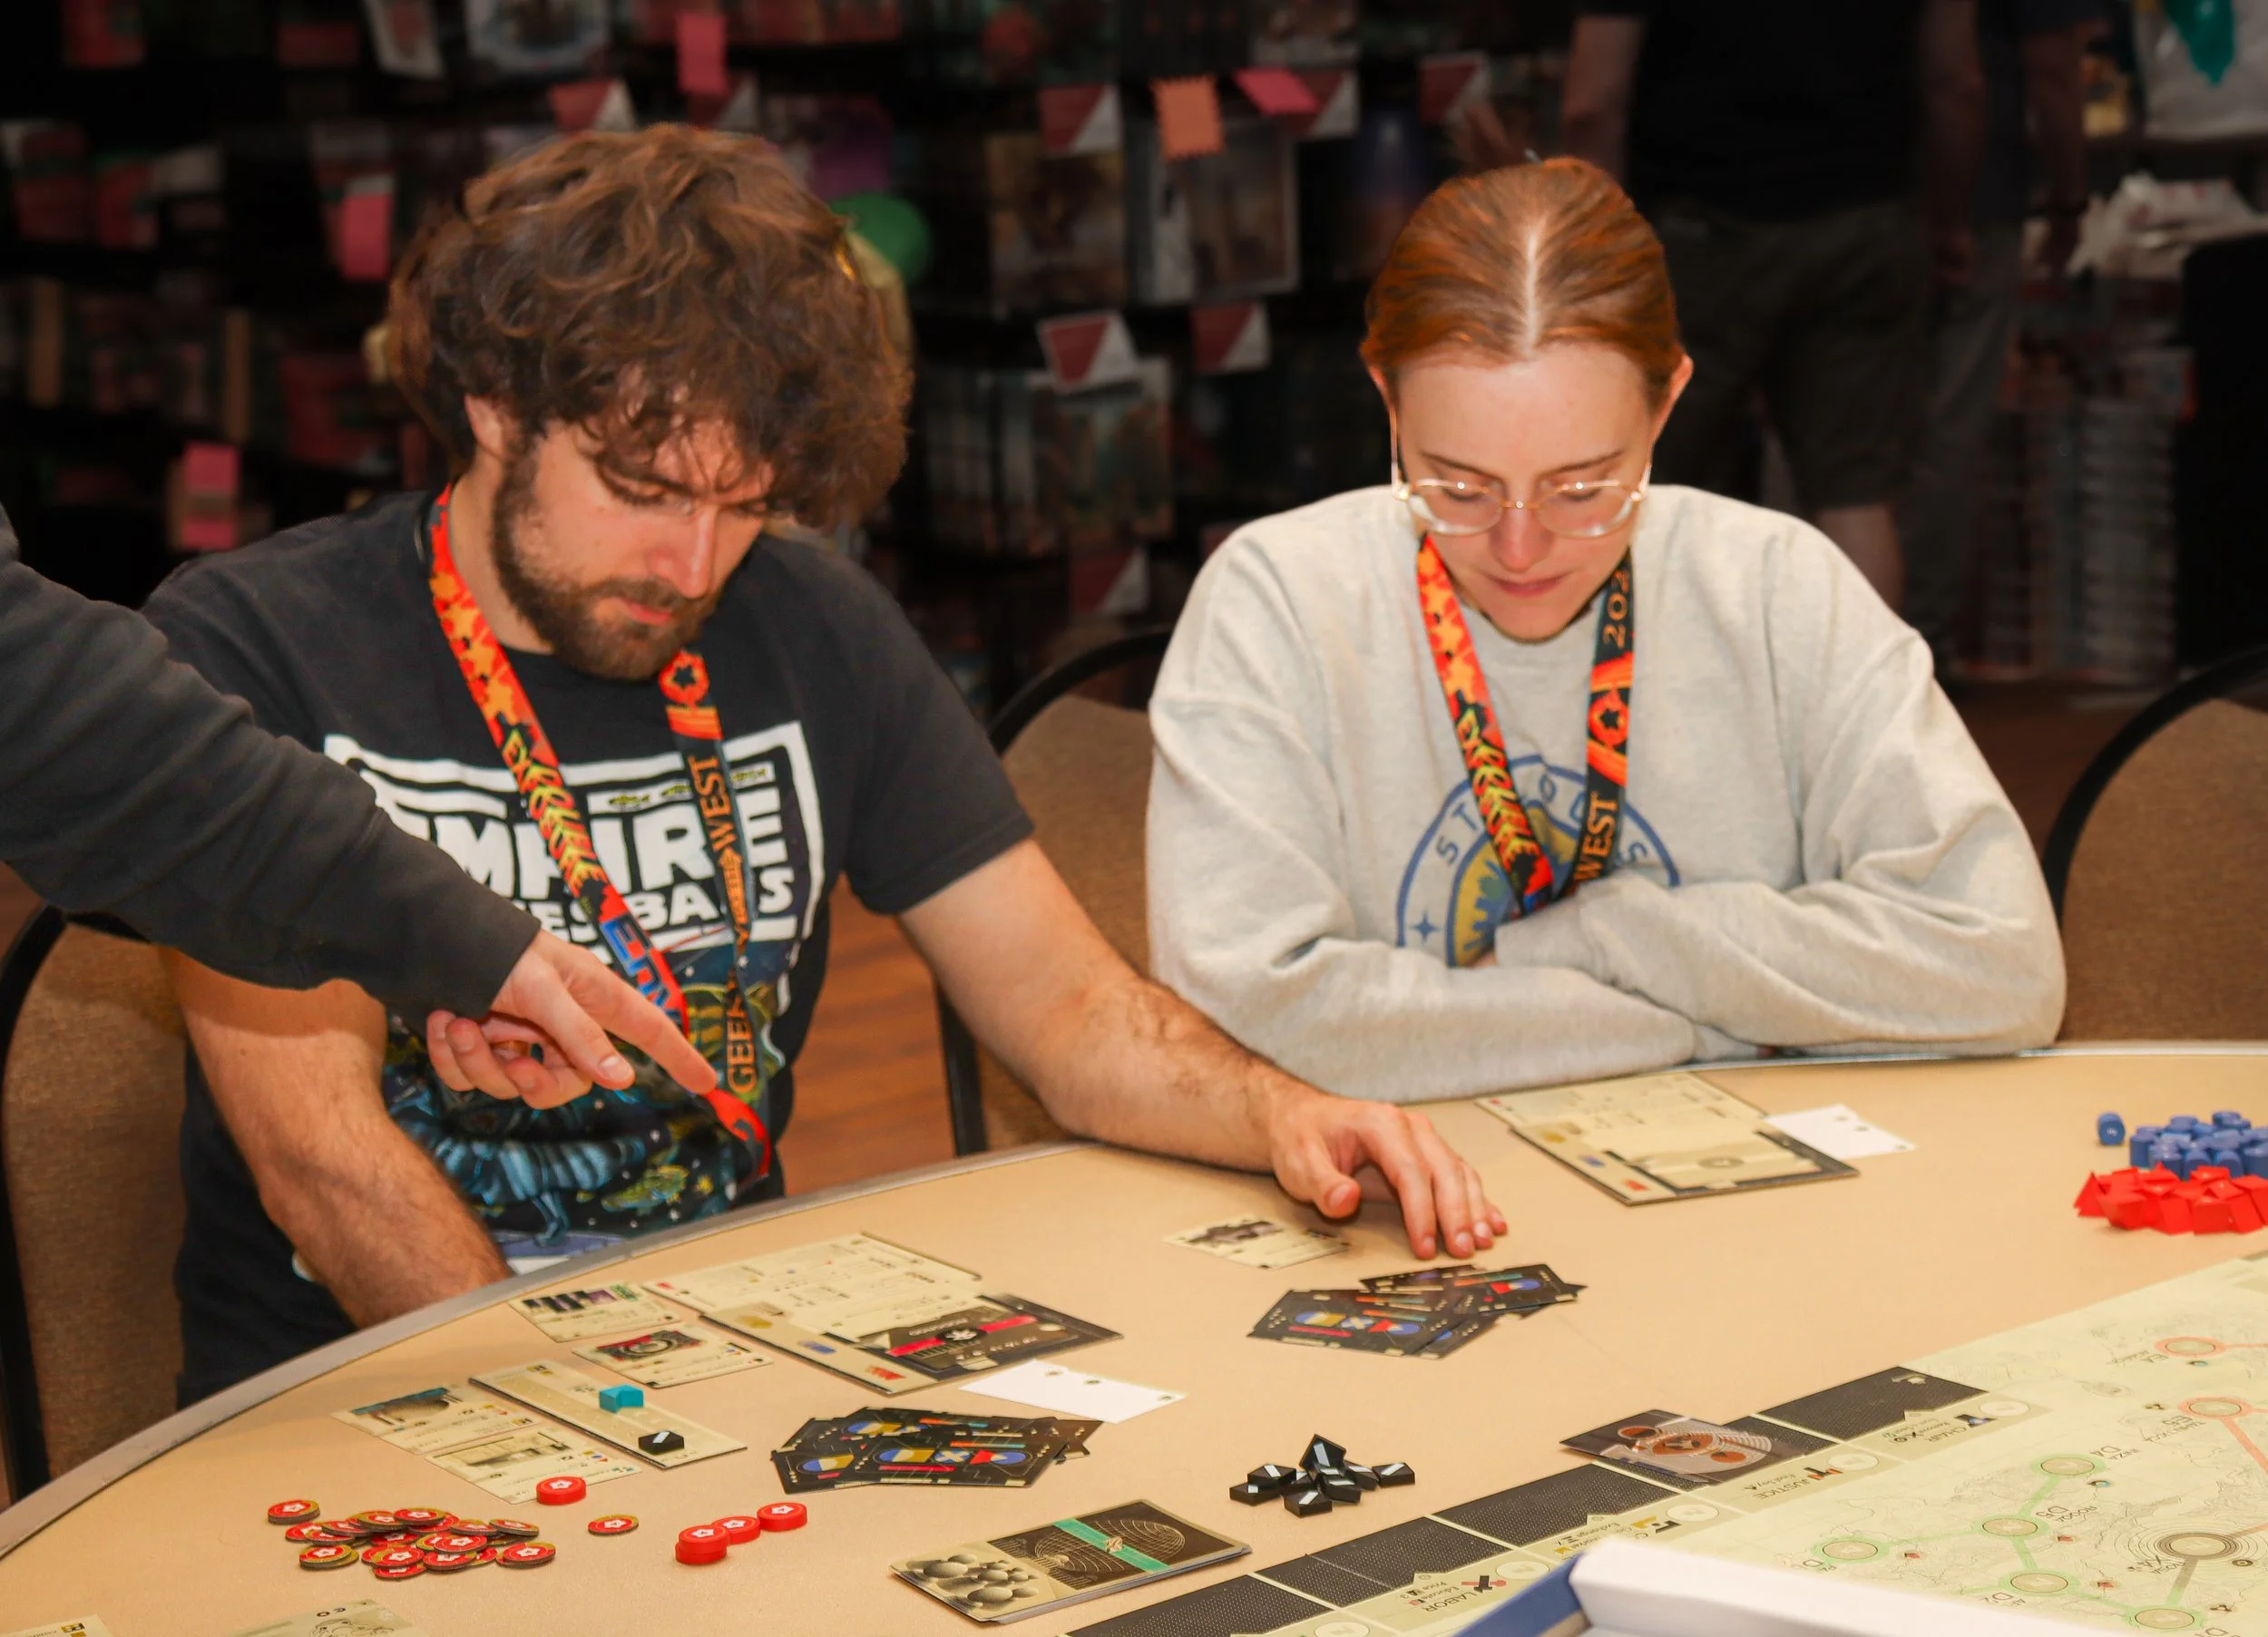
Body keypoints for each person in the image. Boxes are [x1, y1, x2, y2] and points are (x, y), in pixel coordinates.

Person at [143, 126, 1501, 1404]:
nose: (693, 569)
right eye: (647, 491)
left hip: (722, 1361)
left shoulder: (814, 627)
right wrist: (591, 1415)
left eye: (746, 507)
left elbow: (1070, 1015)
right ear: (496, 408)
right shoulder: (254, 649)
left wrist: (1287, 1114)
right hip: (365, 1392)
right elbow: (323, 1163)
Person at [1146, 161, 2065, 1104]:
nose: (1517, 544)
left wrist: (1607, 936)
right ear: (1386, 399)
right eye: (1457, 485)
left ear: (1666, 404)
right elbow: (1236, 1019)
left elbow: (2003, 966)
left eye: (1581, 487)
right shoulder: (1275, 606)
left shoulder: (1775, 589)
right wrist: (1714, 1025)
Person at [0, 507, 710, 1110]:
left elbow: (71, 723)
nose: (696, 570)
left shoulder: (807, 609)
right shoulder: (250, 620)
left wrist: (470, 948)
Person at [1558, 0, 1988, 608]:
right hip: (1863, 219)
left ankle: (1646, 698)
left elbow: (1592, 105)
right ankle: (1869, 701)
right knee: (1854, 496)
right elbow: (1955, 84)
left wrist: (1589, 253)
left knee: (1651, 492)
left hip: (1693, 238)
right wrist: (1951, 225)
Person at [1901, 0, 2094, 673]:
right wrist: (2070, 195)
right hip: (1975, 193)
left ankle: (1818, 654)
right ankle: (1919, 647)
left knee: (1832, 443)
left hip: (1845, 191)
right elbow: (2048, 67)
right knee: (1946, 430)